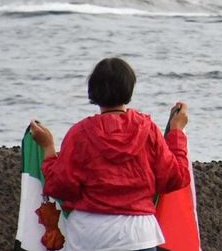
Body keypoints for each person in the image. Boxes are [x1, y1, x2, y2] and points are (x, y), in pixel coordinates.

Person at [28, 57, 191, 251]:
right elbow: (175, 177)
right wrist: (177, 132)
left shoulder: (79, 134)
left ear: (93, 90)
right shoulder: (148, 130)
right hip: (138, 234)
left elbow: (60, 186)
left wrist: (48, 148)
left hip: (89, 235)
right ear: (129, 89)